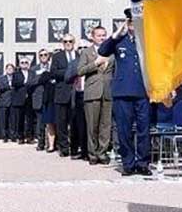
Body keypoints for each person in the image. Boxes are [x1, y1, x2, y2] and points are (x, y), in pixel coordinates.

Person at [101, 15, 149, 176]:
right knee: (124, 130)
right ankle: (128, 164)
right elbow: (103, 51)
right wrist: (115, 36)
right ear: (127, 24)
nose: (133, 25)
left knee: (144, 129)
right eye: (131, 22)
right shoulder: (119, 41)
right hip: (122, 91)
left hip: (143, 91)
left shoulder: (146, 40)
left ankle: (143, 163)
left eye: (136, 22)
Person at [78, 26, 114, 165]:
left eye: (104, 35)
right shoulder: (87, 52)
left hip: (108, 92)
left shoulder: (112, 52)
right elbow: (80, 70)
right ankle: (92, 153)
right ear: (92, 37)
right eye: (99, 35)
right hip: (92, 93)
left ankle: (102, 153)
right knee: (92, 126)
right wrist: (95, 63)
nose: (102, 38)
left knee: (106, 125)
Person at [50, 36, 80, 158]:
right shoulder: (57, 56)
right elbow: (53, 72)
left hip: (76, 92)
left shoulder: (79, 55)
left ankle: (74, 148)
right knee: (61, 122)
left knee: (76, 122)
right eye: (65, 41)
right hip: (61, 93)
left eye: (70, 41)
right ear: (62, 43)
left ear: (74, 43)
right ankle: (63, 148)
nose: (68, 43)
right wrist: (70, 71)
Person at [32, 49, 55, 151]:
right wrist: (42, 76)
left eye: (45, 54)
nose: (43, 56)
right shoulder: (34, 69)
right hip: (39, 98)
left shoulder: (53, 67)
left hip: (52, 97)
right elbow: (30, 82)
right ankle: (40, 143)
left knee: (53, 122)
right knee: (40, 122)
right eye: (41, 55)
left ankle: (53, 144)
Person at [0, 63, 15, 142]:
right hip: (4, 102)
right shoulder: (1, 78)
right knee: (4, 120)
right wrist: (9, 86)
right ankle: (4, 136)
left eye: (11, 69)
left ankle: (13, 135)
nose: (10, 70)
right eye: (8, 69)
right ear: (6, 70)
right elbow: (0, 87)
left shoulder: (16, 78)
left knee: (13, 120)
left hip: (13, 102)